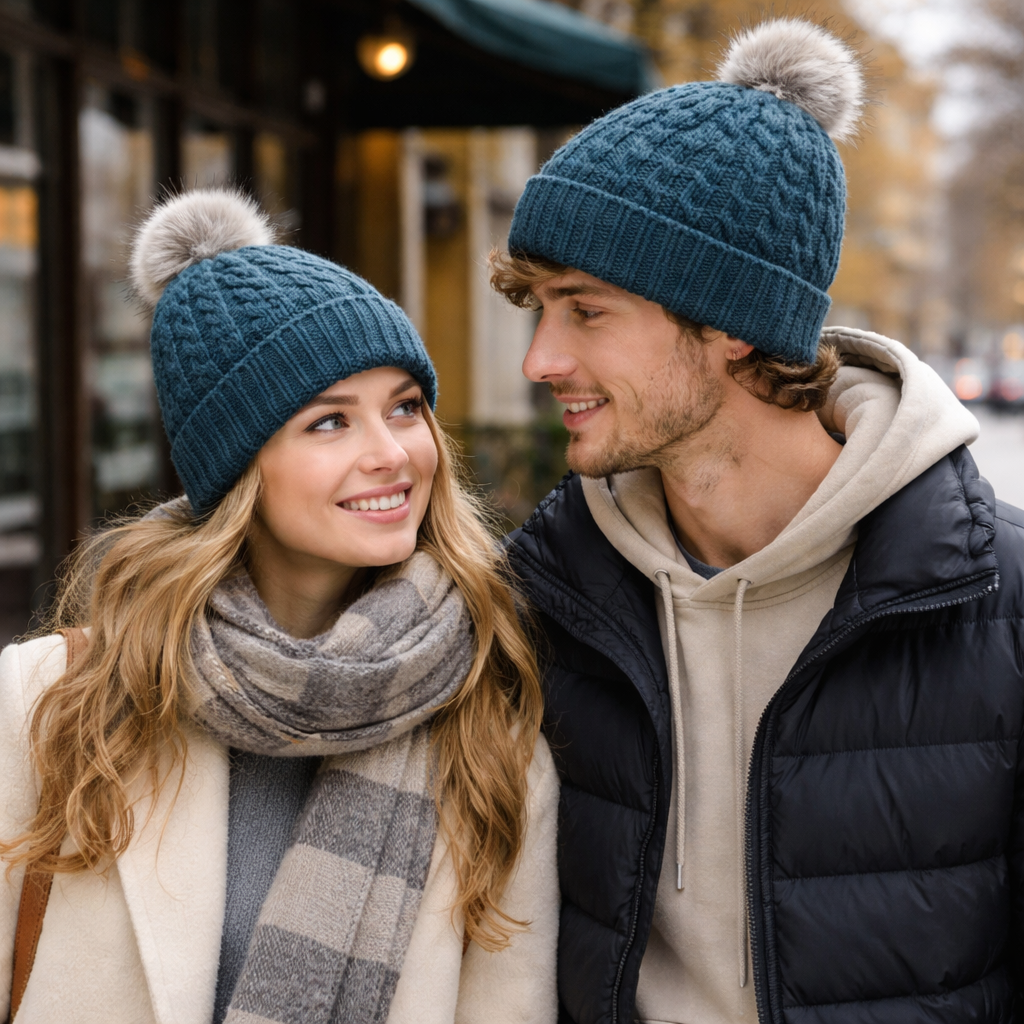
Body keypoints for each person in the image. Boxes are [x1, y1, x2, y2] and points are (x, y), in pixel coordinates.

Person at [491, 17, 1024, 1024]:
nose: (540, 361)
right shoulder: (544, 598)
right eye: (538, 310)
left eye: (585, 310)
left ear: (729, 322)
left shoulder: (999, 602)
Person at [0, 188, 558, 1024]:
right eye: (329, 422)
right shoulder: (55, 699)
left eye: (405, 407)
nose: (392, 455)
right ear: (237, 467)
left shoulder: (489, 730)